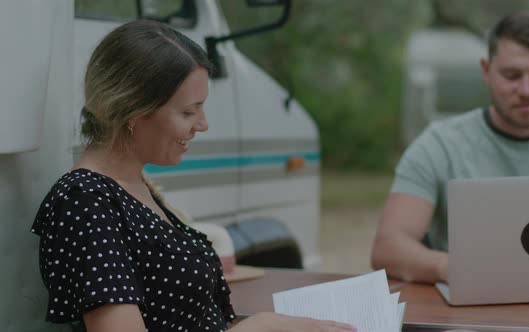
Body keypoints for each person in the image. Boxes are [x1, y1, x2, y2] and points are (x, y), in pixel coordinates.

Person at [31, 20, 356, 332]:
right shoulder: (86, 203)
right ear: (132, 111)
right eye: (189, 111)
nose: (202, 124)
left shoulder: (133, 187)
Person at [371, 11, 529, 284]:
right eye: (512, 75)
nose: (526, 89)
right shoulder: (439, 145)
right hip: (467, 314)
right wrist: (449, 268)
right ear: (486, 71)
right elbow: (389, 247)